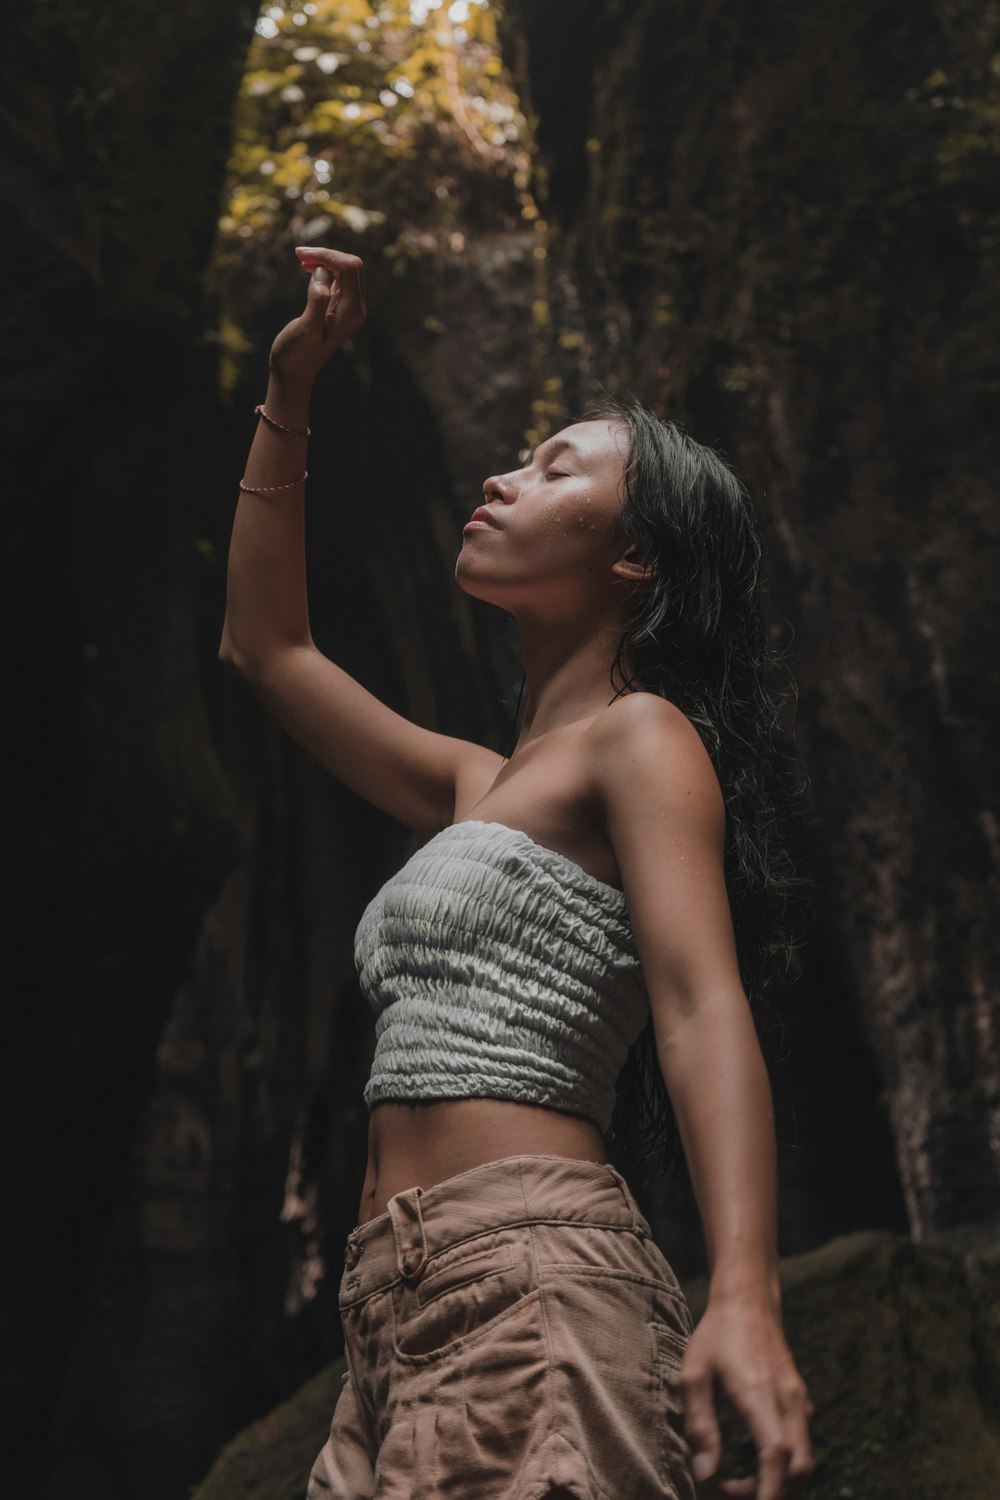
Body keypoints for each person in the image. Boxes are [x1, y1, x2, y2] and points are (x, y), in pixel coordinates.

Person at [220, 245, 814, 1500]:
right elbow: (265, 647)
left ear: (634, 558)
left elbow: (704, 1008)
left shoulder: (642, 740)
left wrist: (746, 1295)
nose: (503, 475)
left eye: (557, 468)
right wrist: (294, 388)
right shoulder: (470, 782)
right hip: (388, 1306)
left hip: (531, 1281)